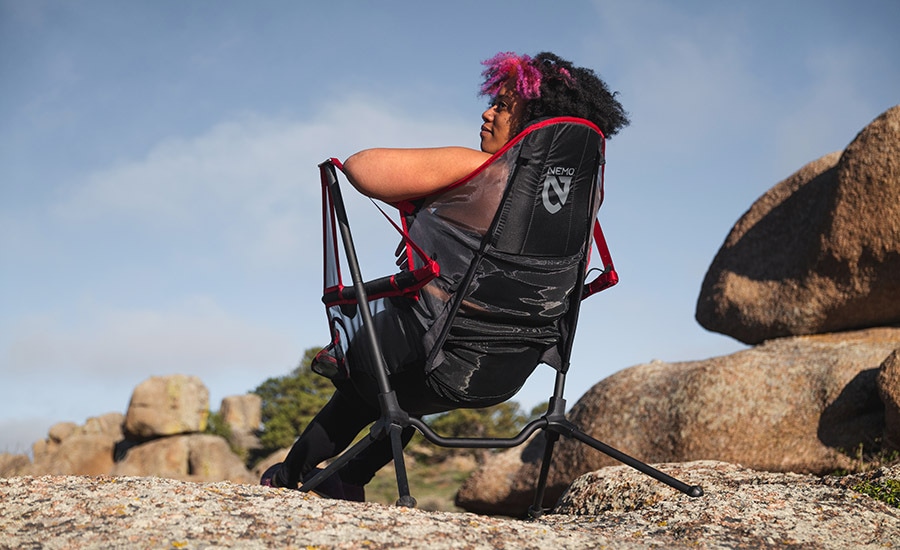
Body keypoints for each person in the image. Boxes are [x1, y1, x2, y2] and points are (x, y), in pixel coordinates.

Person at [260, 52, 629, 500]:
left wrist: (435, 196)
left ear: (535, 117)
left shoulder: (476, 169)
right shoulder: (583, 200)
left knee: (383, 361)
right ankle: (350, 475)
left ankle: (290, 475)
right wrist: (433, 222)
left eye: (502, 104)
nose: (486, 111)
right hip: (513, 365)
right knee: (412, 369)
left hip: (436, 353)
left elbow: (360, 166)